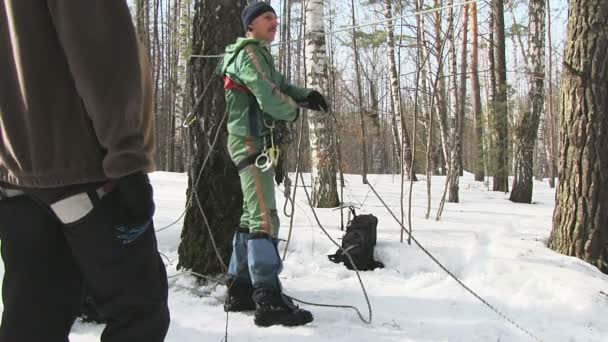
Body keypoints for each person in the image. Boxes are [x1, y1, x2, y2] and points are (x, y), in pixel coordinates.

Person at [0, 1, 169, 341]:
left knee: (33, 320)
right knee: (140, 312)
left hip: (15, 175)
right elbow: (101, 50)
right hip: (86, 170)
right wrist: (127, 160)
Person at [219, 2, 329, 327]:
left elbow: (279, 84)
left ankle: (240, 288)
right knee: (265, 217)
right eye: (268, 18)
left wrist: (306, 95)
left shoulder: (260, 54)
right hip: (250, 141)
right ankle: (267, 299)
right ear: (250, 25)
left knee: (251, 214)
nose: (275, 23)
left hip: (252, 141)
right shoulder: (249, 53)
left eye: (276, 18)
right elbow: (268, 96)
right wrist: (293, 110)